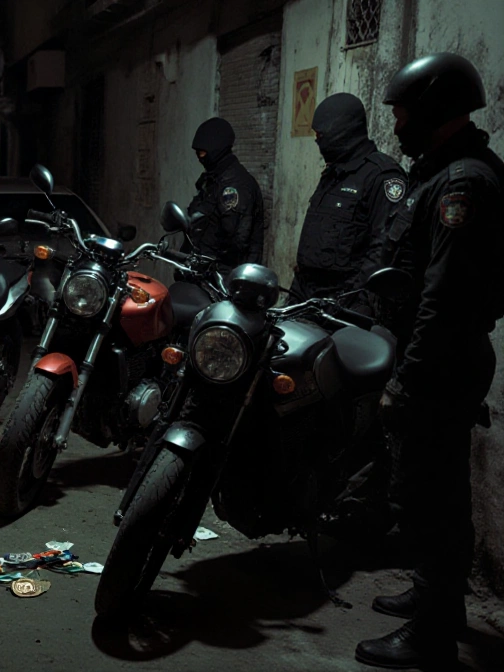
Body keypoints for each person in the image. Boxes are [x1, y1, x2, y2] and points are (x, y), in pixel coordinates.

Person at [354, 53, 504, 670]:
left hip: (439, 362)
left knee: (428, 497)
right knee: (441, 491)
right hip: (441, 356)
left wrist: (407, 382)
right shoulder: (442, 170)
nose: (397, 123)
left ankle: (432, 634)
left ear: (435, 109)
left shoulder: (461, 183)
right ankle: (435, 595)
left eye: (405, 110)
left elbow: (442, 299)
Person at [289, 93, 406, 310]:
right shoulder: (334, 172)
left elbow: (383, 251)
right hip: (307, 298)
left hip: (344, 307)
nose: (318, 141)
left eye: (322, 135)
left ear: (342, 132)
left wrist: (347, 303)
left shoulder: (381, 176)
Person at [183, 117, 266, 275]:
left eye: (202, 152)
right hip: (205, 274)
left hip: (226, 279)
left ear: (216, 149)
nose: (200, 157)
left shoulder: (235, 186)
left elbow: (236, 242)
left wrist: (206, 263)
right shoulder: (213, 180)